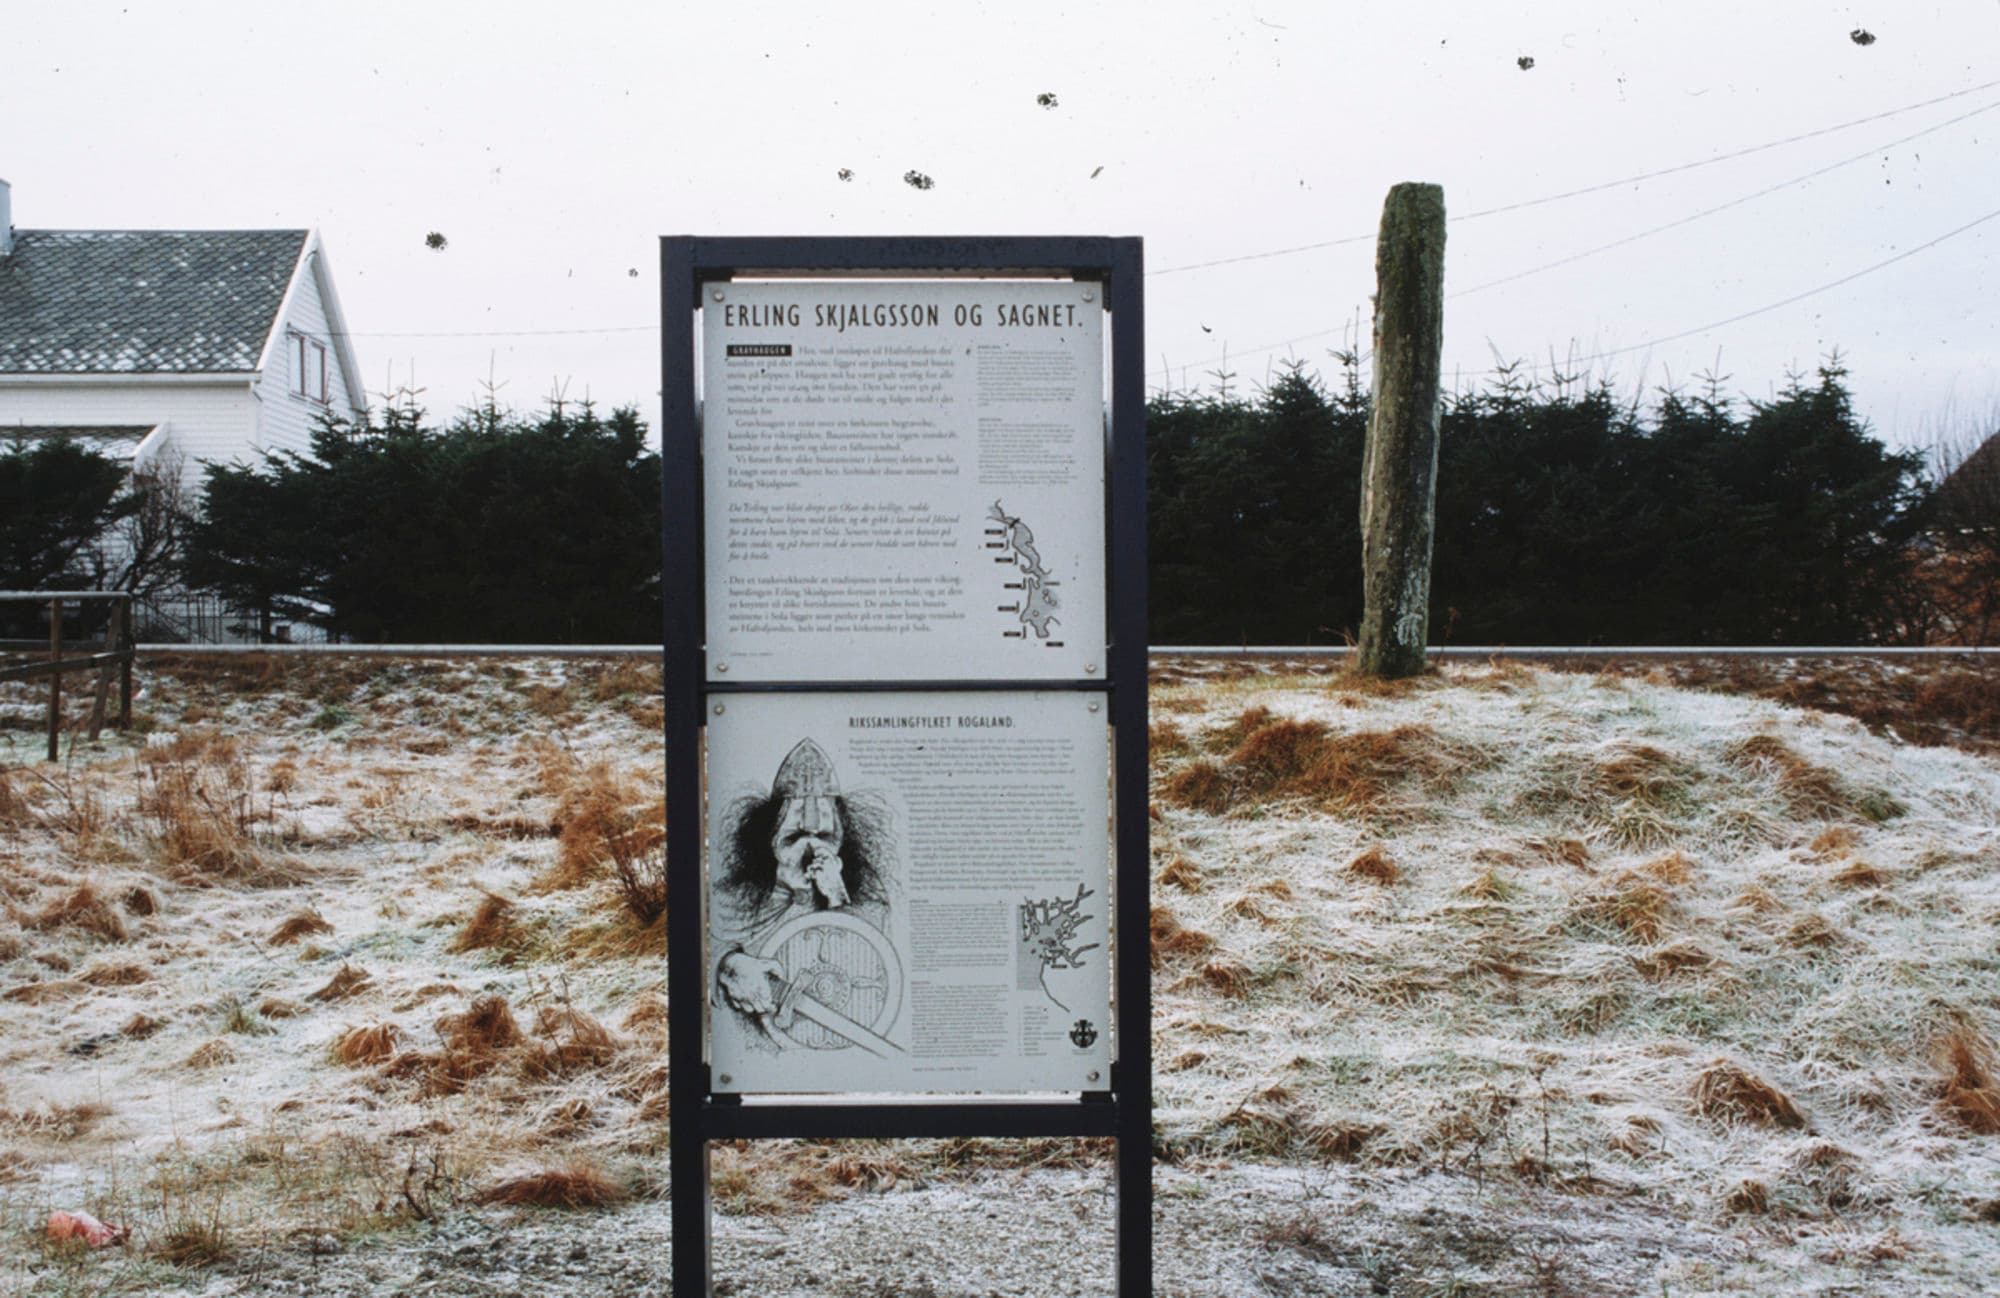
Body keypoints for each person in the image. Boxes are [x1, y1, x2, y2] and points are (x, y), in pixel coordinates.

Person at [713, 739, 890, 1030]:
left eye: (825, 837)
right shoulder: (729, 899)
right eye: (793, 838)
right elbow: (705, 946)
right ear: (769, 840)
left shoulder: (869, 906)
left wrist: (837, 895)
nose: (811, 850)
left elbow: (869, 960)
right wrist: (729, 964)